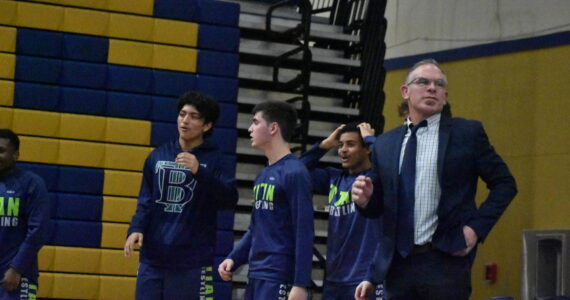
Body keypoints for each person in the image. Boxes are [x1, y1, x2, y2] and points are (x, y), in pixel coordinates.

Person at [352, 59, 517, 300]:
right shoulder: (385, 144)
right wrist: (366, 200)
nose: (432, 88)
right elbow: (380, 208)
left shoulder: (467, 134)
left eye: (439, 84)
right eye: (423, 82)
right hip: (398, 265)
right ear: (405, 92)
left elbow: (505, 184)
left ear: (445, 96)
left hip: (445, 260)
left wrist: (475, 230)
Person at [124, 91, 238, 300]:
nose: (185, 120)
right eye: (182, 114)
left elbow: (229, 200)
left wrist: (200, 173)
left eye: (194, 116)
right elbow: (146, 200)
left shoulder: (218, 161)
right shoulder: (157, 156)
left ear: (207, 126)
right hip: (153, 258)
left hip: (191, 261)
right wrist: (136, 228)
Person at [218, 101, 314, 300]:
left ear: (273, 128)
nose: (250, 128)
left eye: (255, 122)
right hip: (256, 274)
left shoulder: (295, 173)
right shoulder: (263, 175)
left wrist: (300, 284)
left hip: (280, 275)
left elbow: (304, 231)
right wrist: (234, 258)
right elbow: (256, 228)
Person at [299, 122, 384, 300]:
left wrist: (371, 139)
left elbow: (388, 162)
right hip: (334, 279)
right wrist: (324, 145)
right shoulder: (333, 178)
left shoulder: (378, 179)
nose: (343, 150)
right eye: (340, 145)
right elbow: (298, 170)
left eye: (351, 144)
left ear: (367, 149)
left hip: (364, 278)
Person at [0, 129, 51, 300]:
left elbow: (38, 231)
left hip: (17, 277)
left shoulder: (32, 184)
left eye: (1, 151)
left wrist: (16, 268)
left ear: (15, 155)